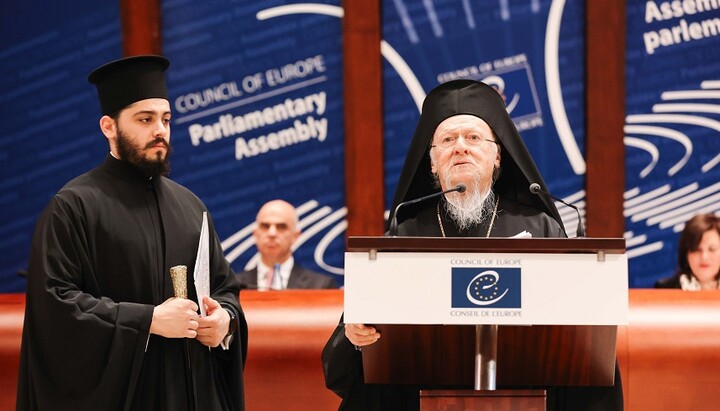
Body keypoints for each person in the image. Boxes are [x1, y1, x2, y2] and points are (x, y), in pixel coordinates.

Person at [321, 79, 623, 410]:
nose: (460, 147)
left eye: (474, 138)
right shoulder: (403, 234)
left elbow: (580, 343)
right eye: (447, 140)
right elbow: (344, 363)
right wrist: (356, 336)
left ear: (497, 156)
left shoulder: (541, 228)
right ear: (433, 163)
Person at [17, 55, 247, 411]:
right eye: (145, 119)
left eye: (166, 119)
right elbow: (55, 306)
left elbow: (225, 288)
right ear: (109, 126)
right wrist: (149, 321)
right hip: (126, 395)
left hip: (194, 392)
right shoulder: (73, 206)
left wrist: (225, 322)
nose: (161, 130)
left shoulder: (190, 205)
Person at [236, 199, 337, 290]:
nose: (272, 233)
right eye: (265, 226)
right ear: (255, 234)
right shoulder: (234, 285)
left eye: (281, 227)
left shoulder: (320, 286)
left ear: (295, 236)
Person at [655, 213, 720, 290]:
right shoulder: (665, 289)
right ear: (686, 253)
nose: (704, 257)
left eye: (712, 249)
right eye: (696, 250)